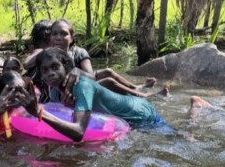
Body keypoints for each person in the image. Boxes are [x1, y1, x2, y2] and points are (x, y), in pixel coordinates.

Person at [15, 47, 169, 142]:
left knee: (173, 136)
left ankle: (194, 108)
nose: (50, 74)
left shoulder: (81, 86)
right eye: (45, 70)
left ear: (66, 67)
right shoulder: (55, 89)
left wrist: (38, 112)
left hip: (141, 115)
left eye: (55, 67)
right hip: (124, 109)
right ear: (40, 76)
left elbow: (78, 132)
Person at [49, 18, 160, 101]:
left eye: (64, 34)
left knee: (108, 72)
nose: (58, 37)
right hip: (67, 91)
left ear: (72, 38)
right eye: (54, 34)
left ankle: (137, 89)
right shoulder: (47, 56)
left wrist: (77, 72)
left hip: (83, 84)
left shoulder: (79, 52)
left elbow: (91, 76)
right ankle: (141, 93)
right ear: (50, 37)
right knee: (108, 81)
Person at [23, 20, 52, 103]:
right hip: (40, 90)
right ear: (46, 35)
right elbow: (26, 64)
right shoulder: (39, 51)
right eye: (54, 33)